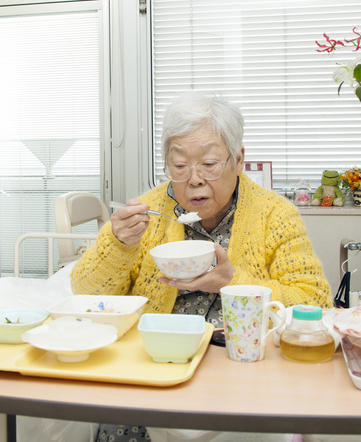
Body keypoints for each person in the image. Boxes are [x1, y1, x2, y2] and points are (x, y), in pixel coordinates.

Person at [71, 92, 332, 442]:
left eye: (209, 164)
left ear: (238, 160)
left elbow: (315, 303)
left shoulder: (274, 214)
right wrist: (118, 246)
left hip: (243, 374)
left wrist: (233, 281)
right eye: (179, 166)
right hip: (154, 369)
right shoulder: (147, 213)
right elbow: (85, 294)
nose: (193, 180)